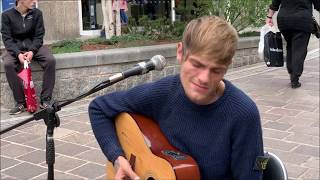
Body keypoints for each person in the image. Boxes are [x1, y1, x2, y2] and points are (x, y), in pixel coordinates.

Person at [89, 16, 264, 180]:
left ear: (227, 68)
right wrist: (118, 158)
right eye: (197, 64)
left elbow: (254, 172)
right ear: (180, 52)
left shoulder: (243, 114)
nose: (204, 78)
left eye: (216, 70)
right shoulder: (164, 92)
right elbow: (99, 108)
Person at [1, 0, 56, 114]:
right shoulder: (6, 15)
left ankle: (45, 100)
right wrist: (18, 54)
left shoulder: (37, 13)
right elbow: (7, 39)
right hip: (15, 48)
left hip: (34, 47)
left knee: (50, 60)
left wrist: (32, 51)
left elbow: (39, 36)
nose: (34, 1)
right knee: (8, 64)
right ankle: (21, 103)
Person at [266, 0, 320, 88]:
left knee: (290, 46)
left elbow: (275, 3)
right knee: (299, 49)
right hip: (302, 20)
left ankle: (291, 72)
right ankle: (295, 78)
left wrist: (269, 17)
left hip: (284, 21)